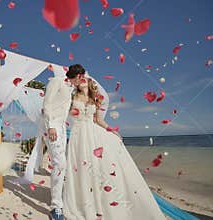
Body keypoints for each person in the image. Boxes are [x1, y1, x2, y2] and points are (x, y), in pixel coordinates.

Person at [62, 67, 166, 220]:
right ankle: (83, 202)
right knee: (82, 168)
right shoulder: (72, 96)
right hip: (78, 135)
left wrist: (112, 131)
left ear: (82, 78)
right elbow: (64, 114)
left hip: (92, 135)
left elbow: (98, 120)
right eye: (75, 78)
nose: (76, 81)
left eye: (77, 78)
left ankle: (98, 202)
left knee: (97, 168)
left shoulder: (94, 98)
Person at [42, 64, 80, 220]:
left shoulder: (71, 89)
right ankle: (56, 207)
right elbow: (47, 103)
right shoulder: (56, 81)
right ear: (78, 75)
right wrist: (51, 126)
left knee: (62, 164)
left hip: (62, 128)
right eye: (81, 77)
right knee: (60, 164)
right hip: (52, 126)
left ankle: (59, 199)